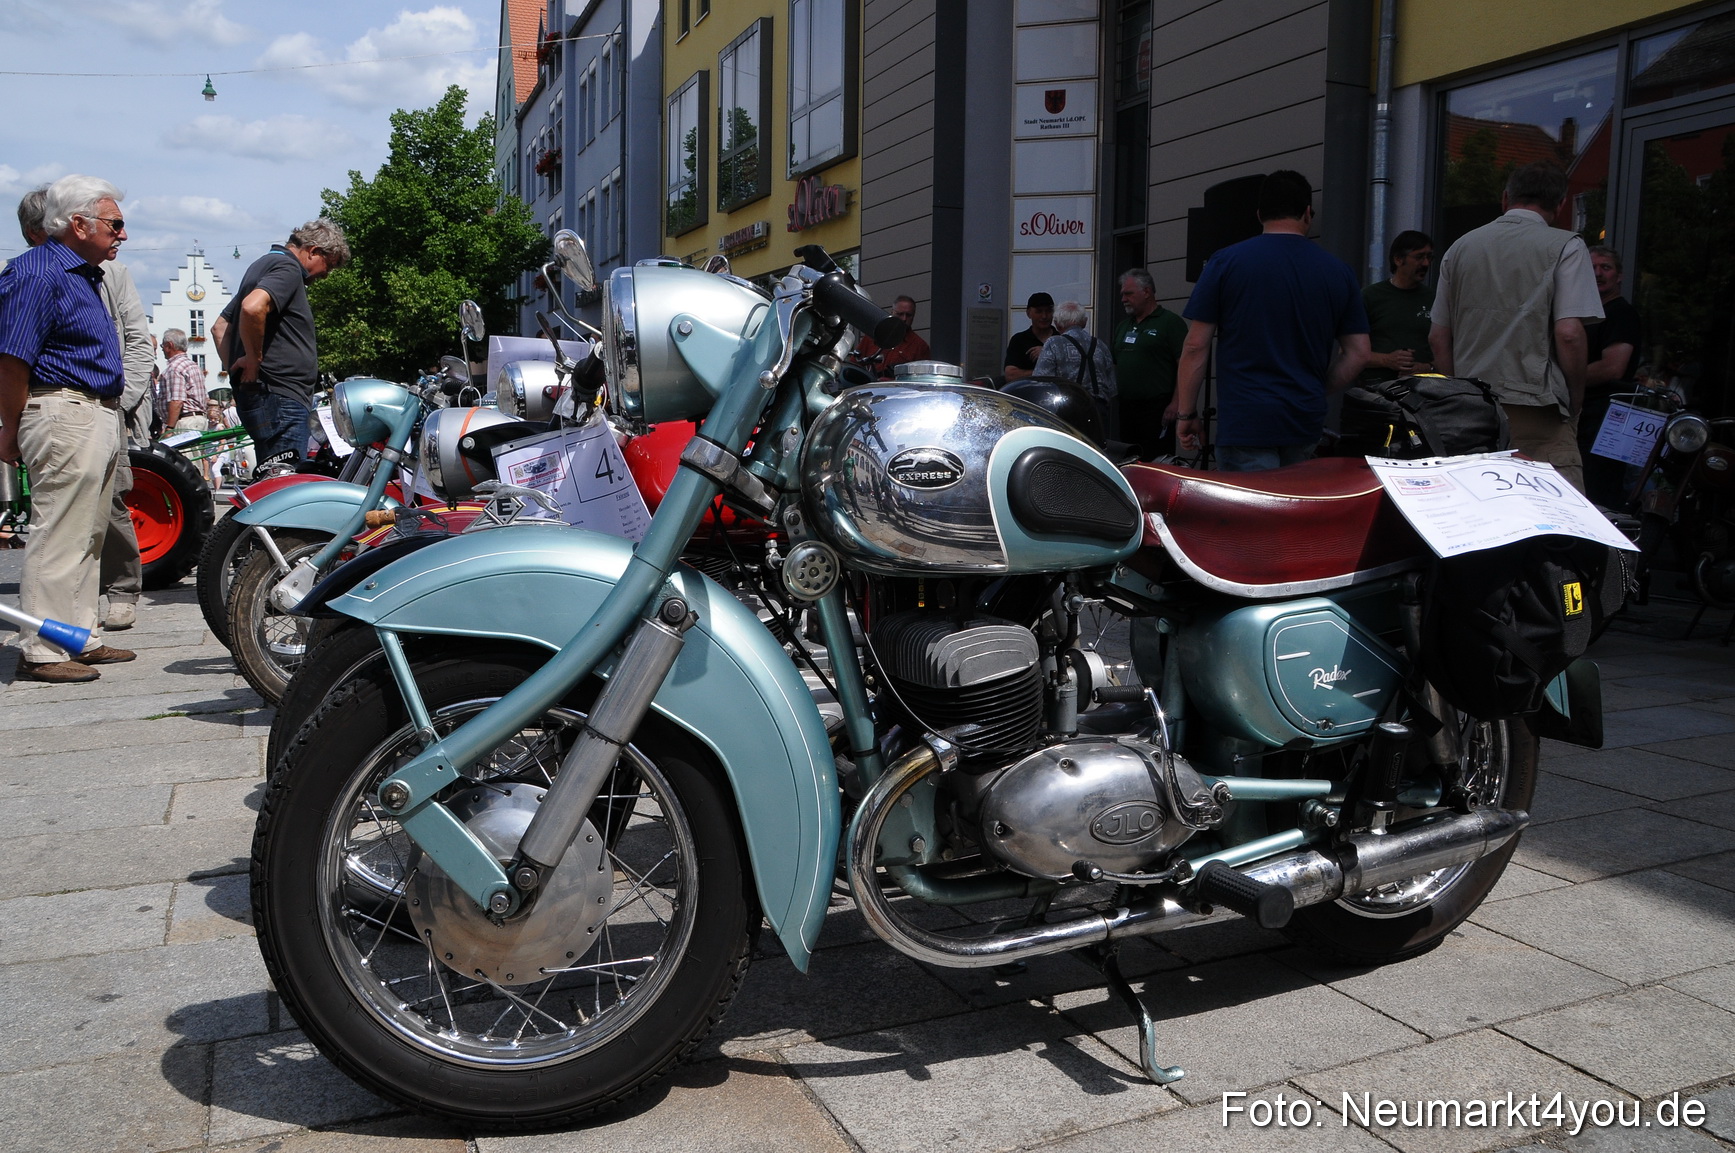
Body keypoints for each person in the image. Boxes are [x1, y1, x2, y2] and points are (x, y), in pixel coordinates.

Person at [0, 176, 138, 682]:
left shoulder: (82, 274)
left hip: (93, 411)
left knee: (88, 534)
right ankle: (42, 648)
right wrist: (11, 429)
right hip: (63, 411)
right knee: (59, 533)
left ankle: (78, 636)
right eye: (115, 223)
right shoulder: (38, 273)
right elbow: (12, 360)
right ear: (78, 224)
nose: (122, 234)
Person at [1173, 170, 1370, 471]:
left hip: (1246, 421)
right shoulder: (1338, 272)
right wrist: (1316, 389)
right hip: (1304, 421)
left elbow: (1195, 347)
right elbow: (1358, 353)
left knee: (1251, 515)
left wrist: (1187, 414)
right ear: (1307, 213)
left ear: (1259, 214)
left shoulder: (1225, 262)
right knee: (1292, 511)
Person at [1429, 161, 1602, 493]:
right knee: (1556, 525)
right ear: (1561, 204)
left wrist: (1461, 393)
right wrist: (1576, 398)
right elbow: (1569, 333)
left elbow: (1438, 339)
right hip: (1538, 409)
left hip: (1474, 411)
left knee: (1481, 513)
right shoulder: (1566, 246)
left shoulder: (1460, 248)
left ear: (1506, 197)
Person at [211, 219, 349, 470]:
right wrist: (252, 362)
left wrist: (238, 374)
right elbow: (252, 307)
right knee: (285, 481)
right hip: (281, 397)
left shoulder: (262, 264)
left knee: (270, 474)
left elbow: (220, 327)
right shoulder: (288, 268)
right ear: (313, 251)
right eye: (328, 266)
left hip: (264, 396)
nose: (325, 275)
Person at [1579, 244, 1642, 507]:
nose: (1598, 273)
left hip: (1608, 418)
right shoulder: (1587, 314)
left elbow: (1612, 367)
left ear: (1619, 276)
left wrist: (1560, 380)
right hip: (1588, 415)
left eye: (1605, 267)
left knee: (1600, 493)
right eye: (1592, 267)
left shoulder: (1621, 314)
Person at [1112, 268, 1187, 458]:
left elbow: (1185, 366)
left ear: (1146, 292)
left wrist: (1176, 403)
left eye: (1128, 294)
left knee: (1156, 459)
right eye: (1122, 294)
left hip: (1157, 408)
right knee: (1129, 459)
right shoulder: (1124, 326)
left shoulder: (1170, 323)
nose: (1123, 299)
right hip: (1127, 408)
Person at [1030, 300, 1118, 433]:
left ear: (1058, 324)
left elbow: (1041, 382)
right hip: (1097, 413)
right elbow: (1112, 388)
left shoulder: (1054, 343)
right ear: (1084, 322)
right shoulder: (1100, 345)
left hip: (1066, 413)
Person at [1361, 230, 1437, 384]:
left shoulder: (1435, 299)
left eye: (1429, 257)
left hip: (1424, 394)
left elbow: (1450, 351)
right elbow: (1348, 354)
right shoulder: (1370, 296)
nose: (1426, 264)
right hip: (1377, 394)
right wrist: (1387, 360)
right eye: (1419, 257)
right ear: (1398, 259)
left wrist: (1428, 368)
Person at [853, 295, 931, 379]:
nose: (904, 319)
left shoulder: (920, 346)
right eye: (900, 314)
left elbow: (922, 379)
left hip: (898, 390)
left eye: (908, 315)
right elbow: (854, 364)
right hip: (870, 387)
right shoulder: (873, 336)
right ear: (892, 312)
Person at [160, 329, 211, 434]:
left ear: (170, 345)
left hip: (185, 423)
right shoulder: (193, 365)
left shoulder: (175, 368)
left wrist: (169, 428)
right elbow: (206, 398)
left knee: (184, 451)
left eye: (162, 346)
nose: (162, 349)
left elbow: (176, 401)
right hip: (197, 420)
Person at [1003, 292, 1055, 382]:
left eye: (1048, 311)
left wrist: (1046, 353)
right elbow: (1010, 375)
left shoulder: (1061, 339)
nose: (1044, 316)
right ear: (1028, 313)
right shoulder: (1019, 340)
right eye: (1039, 311)